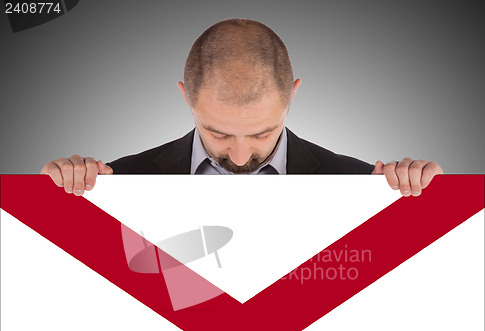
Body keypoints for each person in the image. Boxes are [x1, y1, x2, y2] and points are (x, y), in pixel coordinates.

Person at [41, 18, 443, 196]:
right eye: (217, 132)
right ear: (185, 96)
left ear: (292, 96)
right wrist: (56, 195)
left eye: (261, 133)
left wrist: (427, 196)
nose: (238, 156)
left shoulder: (363, 187)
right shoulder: (117, 185)